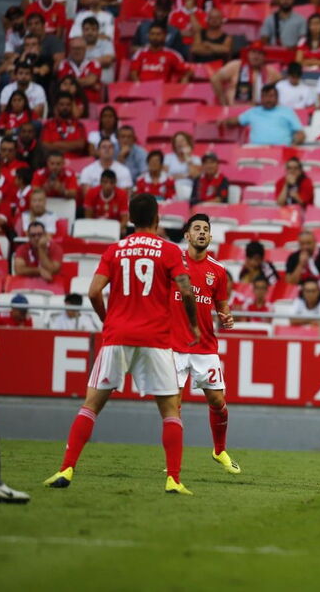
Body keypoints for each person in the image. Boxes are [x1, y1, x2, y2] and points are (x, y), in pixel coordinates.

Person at [43, 193, 200, 495]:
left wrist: (108, 321)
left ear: (129, 220)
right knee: (170, 411)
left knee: (91, 405)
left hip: (117, 336)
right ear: (157, 219)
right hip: (155, 340)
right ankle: (173, 479)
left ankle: (66, 468)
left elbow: (93, 292)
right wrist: (193, 324)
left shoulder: (114, 249)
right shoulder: (169, 251)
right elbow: (186, 291)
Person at [170, 214, 239, 474]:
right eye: (196, 228)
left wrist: (226, 316)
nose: (201, 232)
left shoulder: (217, 270)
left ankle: (219, 450)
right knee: (173, 405)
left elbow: (221, 304)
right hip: (174, 345)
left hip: (205, 346)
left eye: (205, 229)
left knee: (218, 401)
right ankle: (173, 464)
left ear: (210, 237)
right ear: (187, 235)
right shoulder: (172, 263)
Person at [219, 84, 305, 146]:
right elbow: (235, 121)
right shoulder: (253, 112)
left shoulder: (287, 111)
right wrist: (224, 121)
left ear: (277, 98)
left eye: (271, 96)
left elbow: (300, 133)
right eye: (265, 96)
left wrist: (293, 145)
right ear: (261, 98)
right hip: (255, 151)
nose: (268, 99)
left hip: (281, 149)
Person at [211, 42, 281, 106]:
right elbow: (215, 78)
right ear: (248, 54)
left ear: (264, 57)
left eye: (259, 53)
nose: (256, 56)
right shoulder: (235, 65)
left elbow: (282, 84)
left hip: (261, 111)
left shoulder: (271, 71)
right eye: (253, 52)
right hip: (235, 110)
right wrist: (223, 101)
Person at [41, 92, 87, 158]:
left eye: (68, 104)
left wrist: (56, 144)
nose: (65, 107)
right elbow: (45, 146)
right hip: (54, 161)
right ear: (56, 106)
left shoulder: (78, 125)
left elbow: (81, 145)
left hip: (75, 161)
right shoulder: (48, 125)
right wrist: (71, 146)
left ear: (72, 106)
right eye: (61, 104)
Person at [58, 38, 102, 104]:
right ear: (69, 50)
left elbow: (91, 81)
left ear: (85, 49)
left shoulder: (94, 63)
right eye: (74, 48)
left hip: (91, 104)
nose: (77, 51)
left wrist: (72, 82)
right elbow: (65, 84)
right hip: (70, 105)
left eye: (79, 48)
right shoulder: (63, 64)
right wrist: (89, 84)